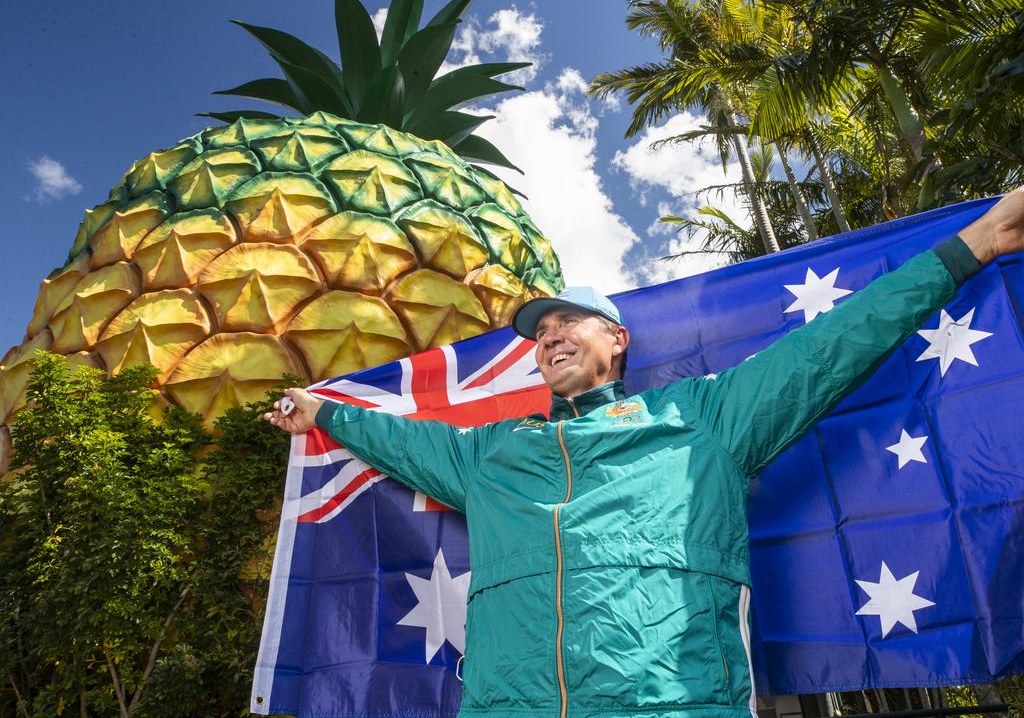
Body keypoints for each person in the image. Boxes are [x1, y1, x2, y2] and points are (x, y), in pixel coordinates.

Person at [264, 189, 1024, 718]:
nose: (549, 336)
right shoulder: (488, 455)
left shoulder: (704, 419)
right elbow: (397, 437)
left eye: (570, 322)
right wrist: (322, 410)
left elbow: (835, 345)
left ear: (617, 339)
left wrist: (975, 245)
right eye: (539, 332)